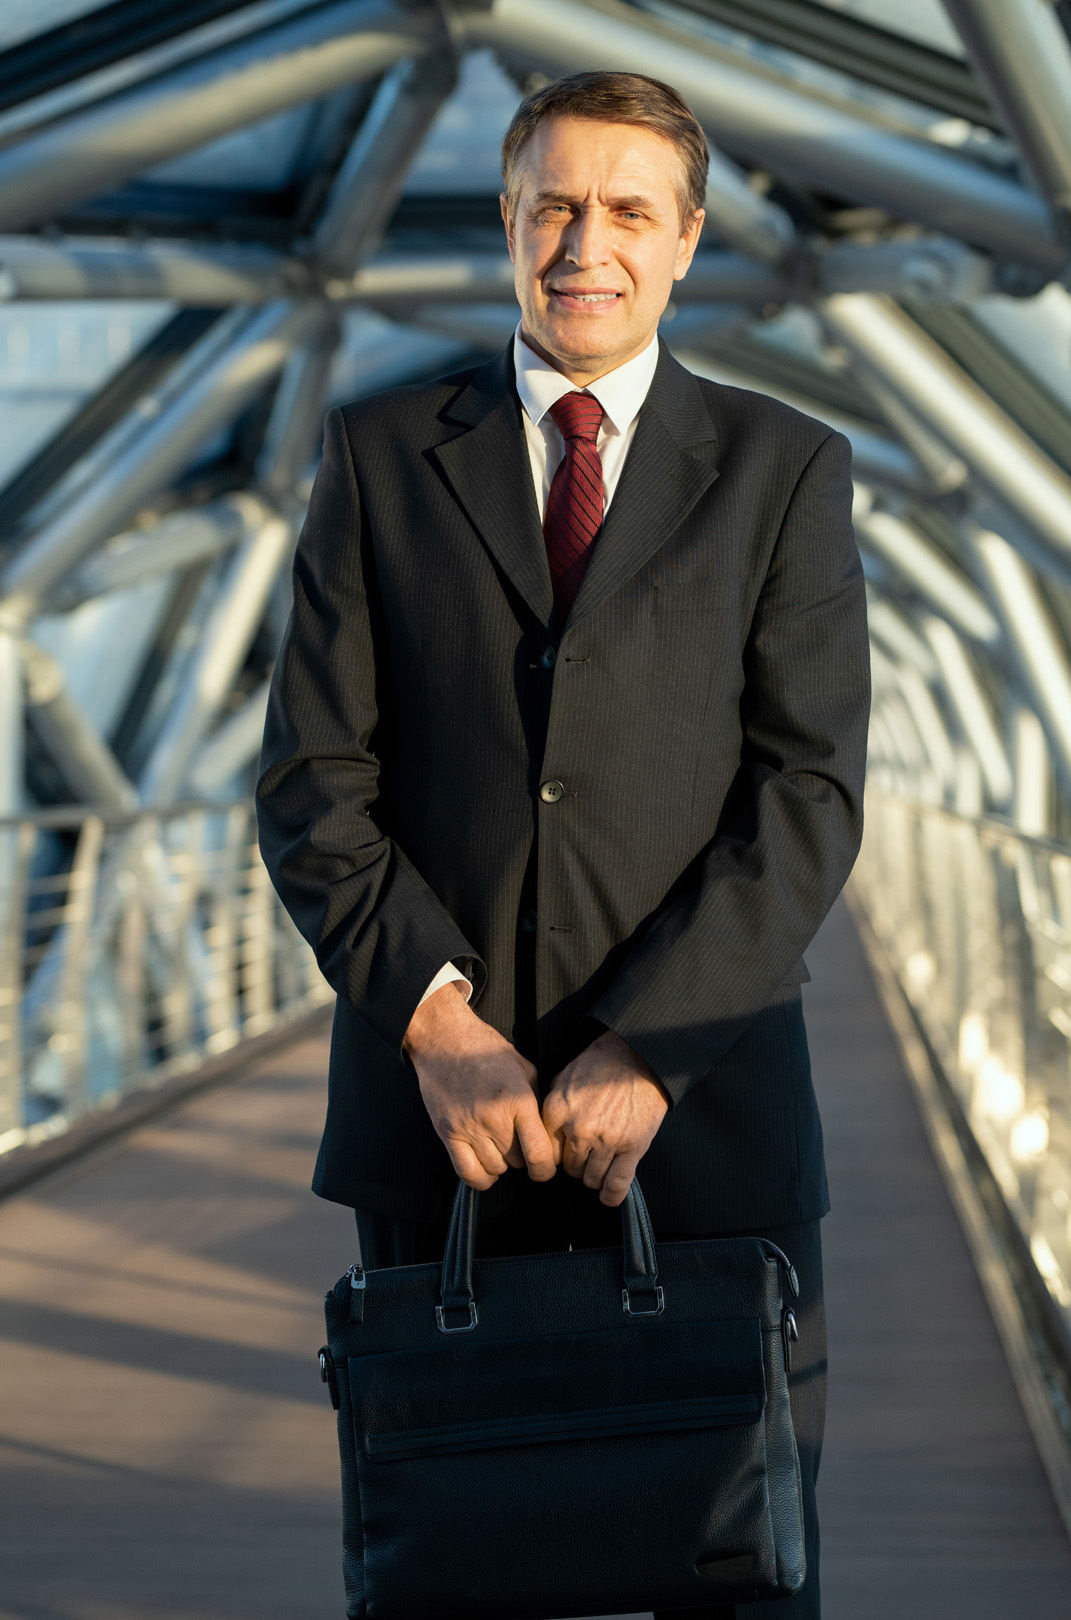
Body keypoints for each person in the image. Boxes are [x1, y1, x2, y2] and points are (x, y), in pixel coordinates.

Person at [257, 69, 870, 1620]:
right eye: (553, 204)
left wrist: (653, 1047)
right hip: (438, 1125)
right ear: (511, 224)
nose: (584, 242)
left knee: (742, 1572)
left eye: (627, 211)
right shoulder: (384, 457)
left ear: (685, 243)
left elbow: (808, 793)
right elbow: (309, 781)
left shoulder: (783, 471)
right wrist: (432, 1018)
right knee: (445, 1572)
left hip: (708, 1125)